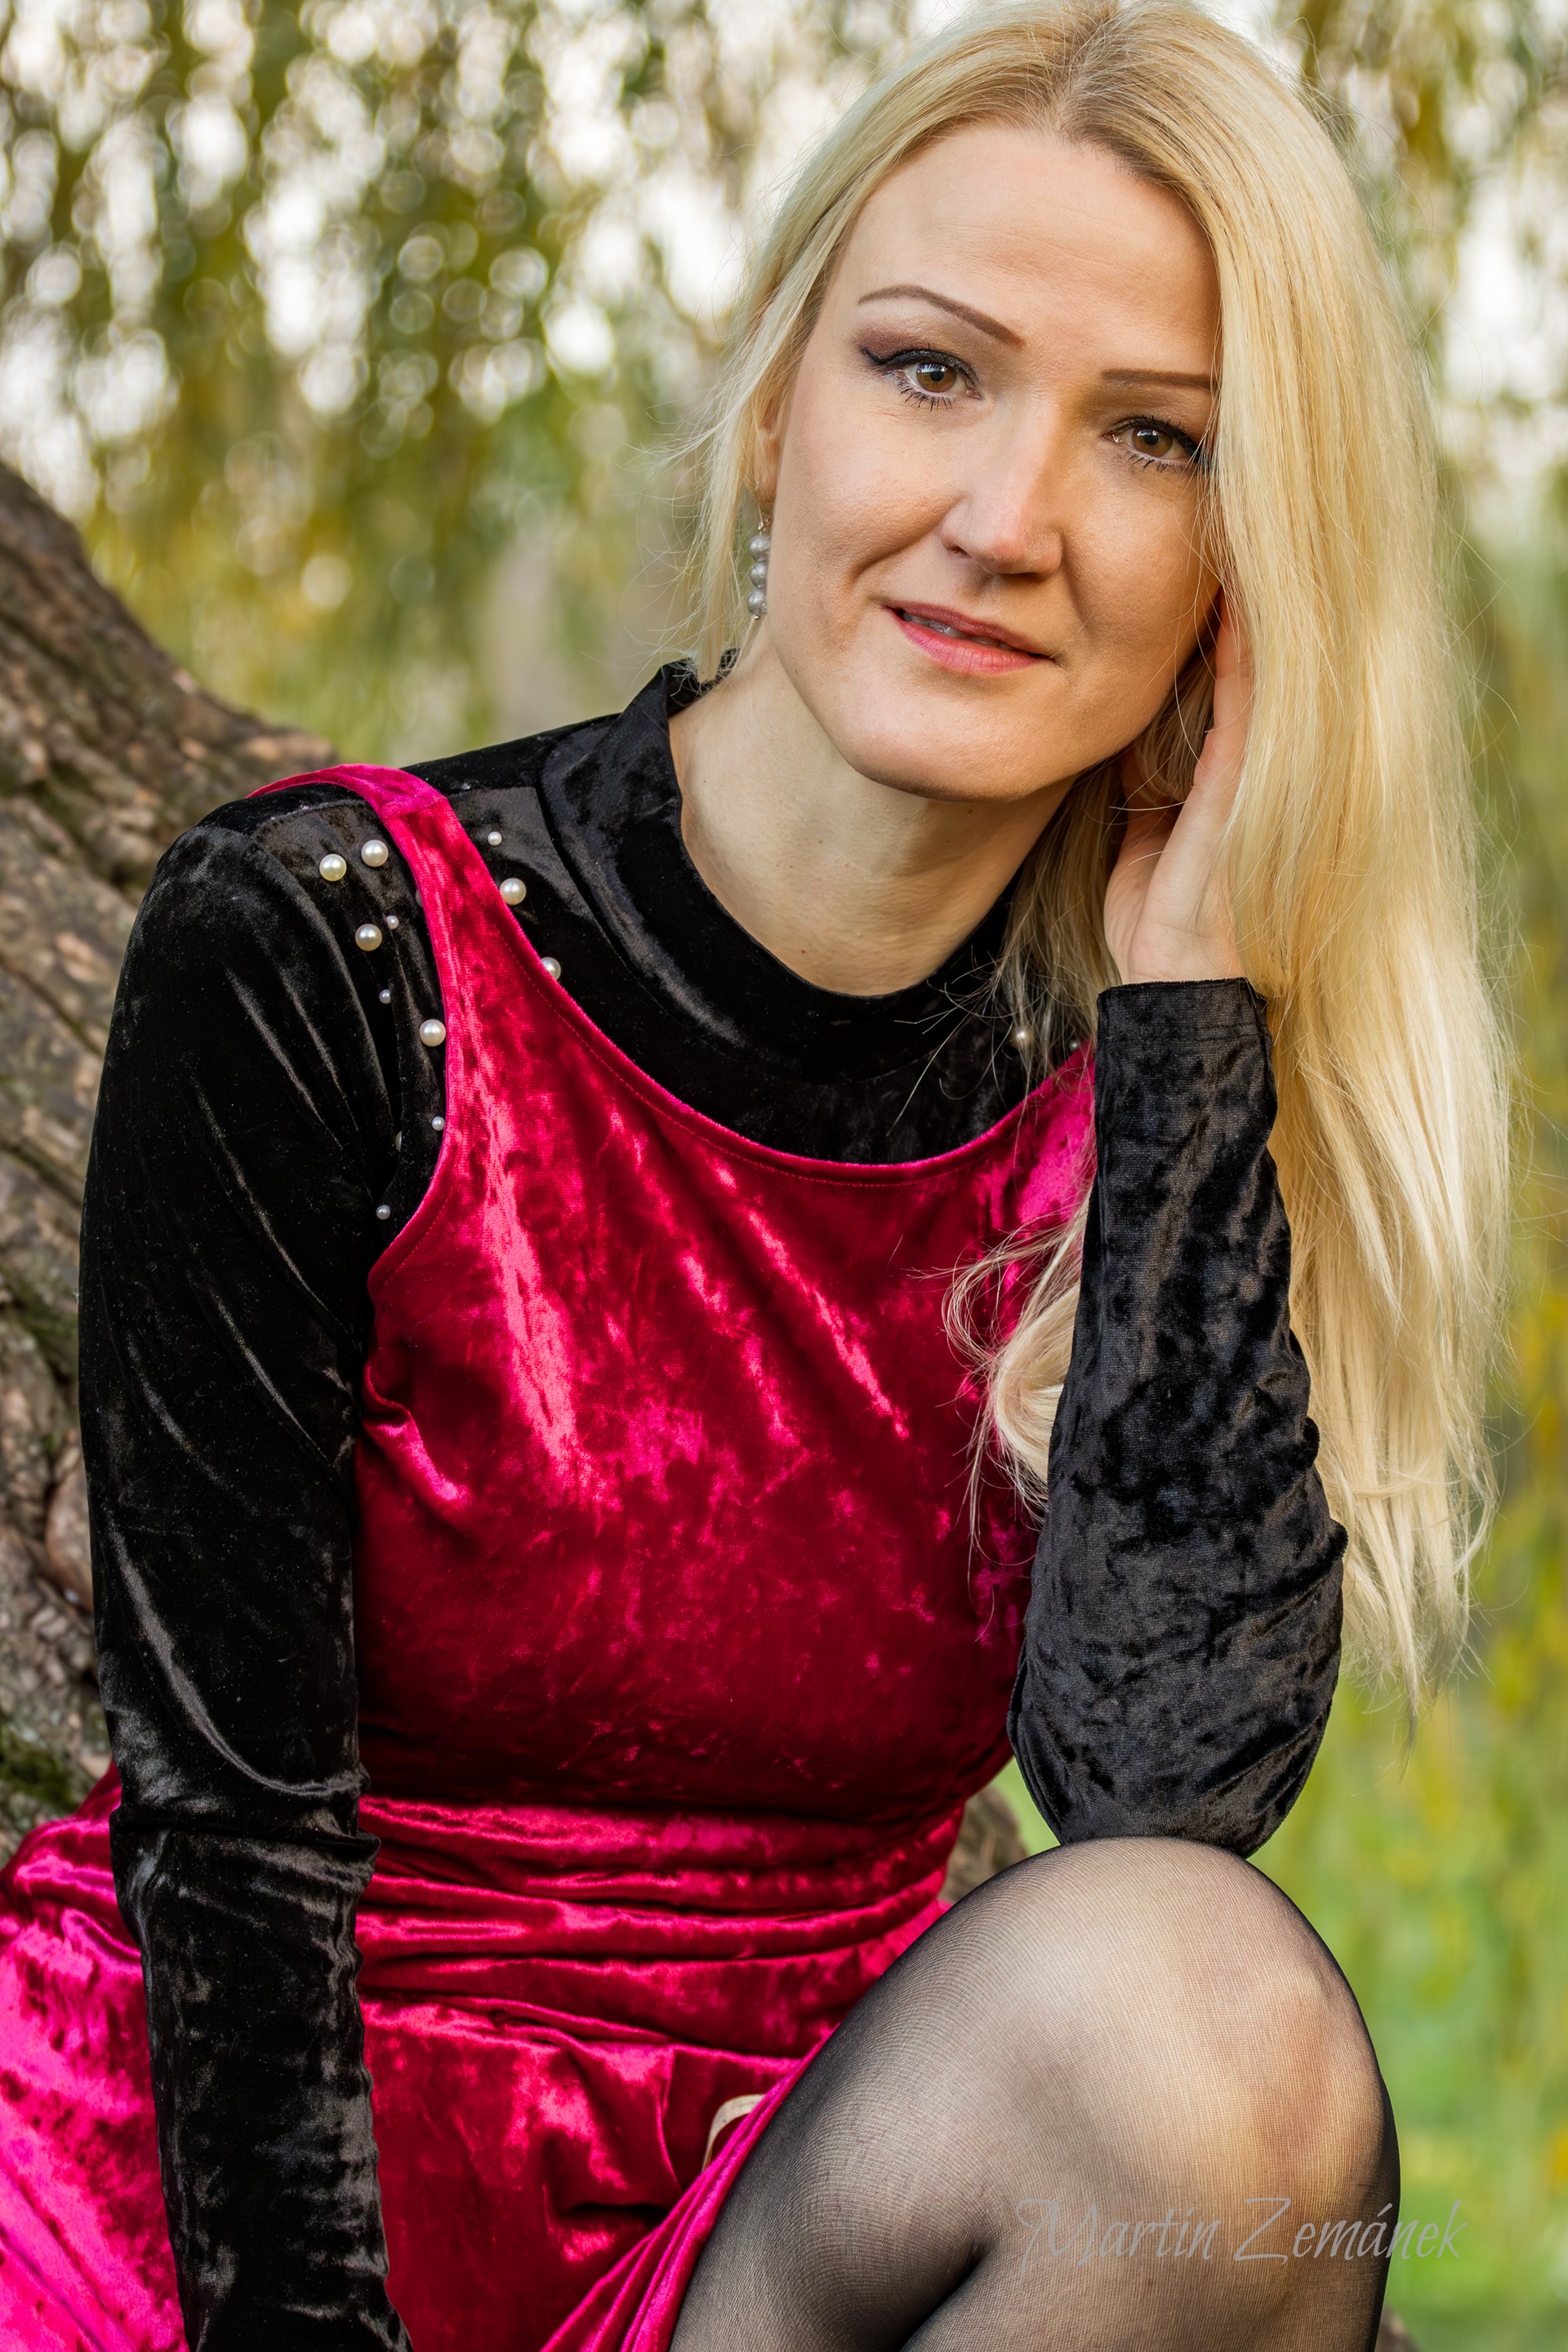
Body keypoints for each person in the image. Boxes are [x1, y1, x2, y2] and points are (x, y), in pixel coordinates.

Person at [0, 3, 1508, 2348]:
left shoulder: (1150, 1091)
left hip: (773, 2223)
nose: (1005, 519)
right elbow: (236, 1847)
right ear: (782, 404)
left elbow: (1158, 1817)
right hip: (208, 2220)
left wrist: (1193, 1034)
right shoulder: (331, 950)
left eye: (1156, 437)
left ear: (1253, 560)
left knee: (1213, 2044)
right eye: (931, 370)